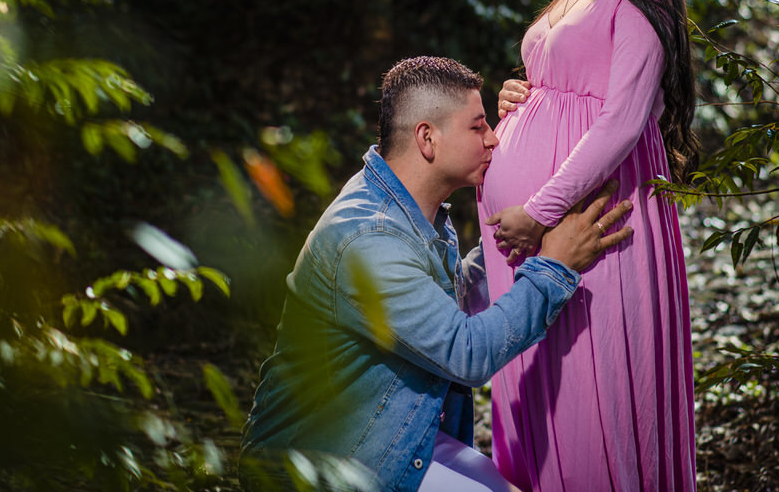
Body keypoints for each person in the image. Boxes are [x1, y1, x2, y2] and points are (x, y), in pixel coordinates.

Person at [239, 56, 634, 492]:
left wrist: (536, 228)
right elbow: (465, 352)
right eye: (477, 126)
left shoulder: (410, 208)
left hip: (384, 436)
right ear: (427, 138)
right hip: (320, 463)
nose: (493, 140)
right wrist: (554, 267)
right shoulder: (367, 238)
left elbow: (450, 304)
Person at [479, 0, 700, 492]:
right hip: (532, 233)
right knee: (543, 395)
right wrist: (518, 92)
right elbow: (564, 82)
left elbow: (622, 122)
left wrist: (539, 210)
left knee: (592, 394)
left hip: (587, 224)